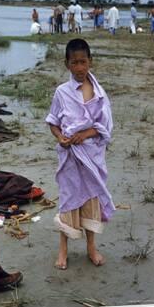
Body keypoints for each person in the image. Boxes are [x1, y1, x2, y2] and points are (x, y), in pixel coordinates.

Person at [46, 38, 115, 269]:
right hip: (70, 158)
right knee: (68, 200)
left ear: (90, 62)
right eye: (74, 63)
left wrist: (85, 134)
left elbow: (104, 126)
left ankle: (91, 247)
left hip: (91, 157)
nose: (79, 68)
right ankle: (63, 250)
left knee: (90, 200)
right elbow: (53, 122)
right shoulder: (62, 92)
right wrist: (60, 137)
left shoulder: (99, 94)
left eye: (83, 62)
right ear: (67, 64)